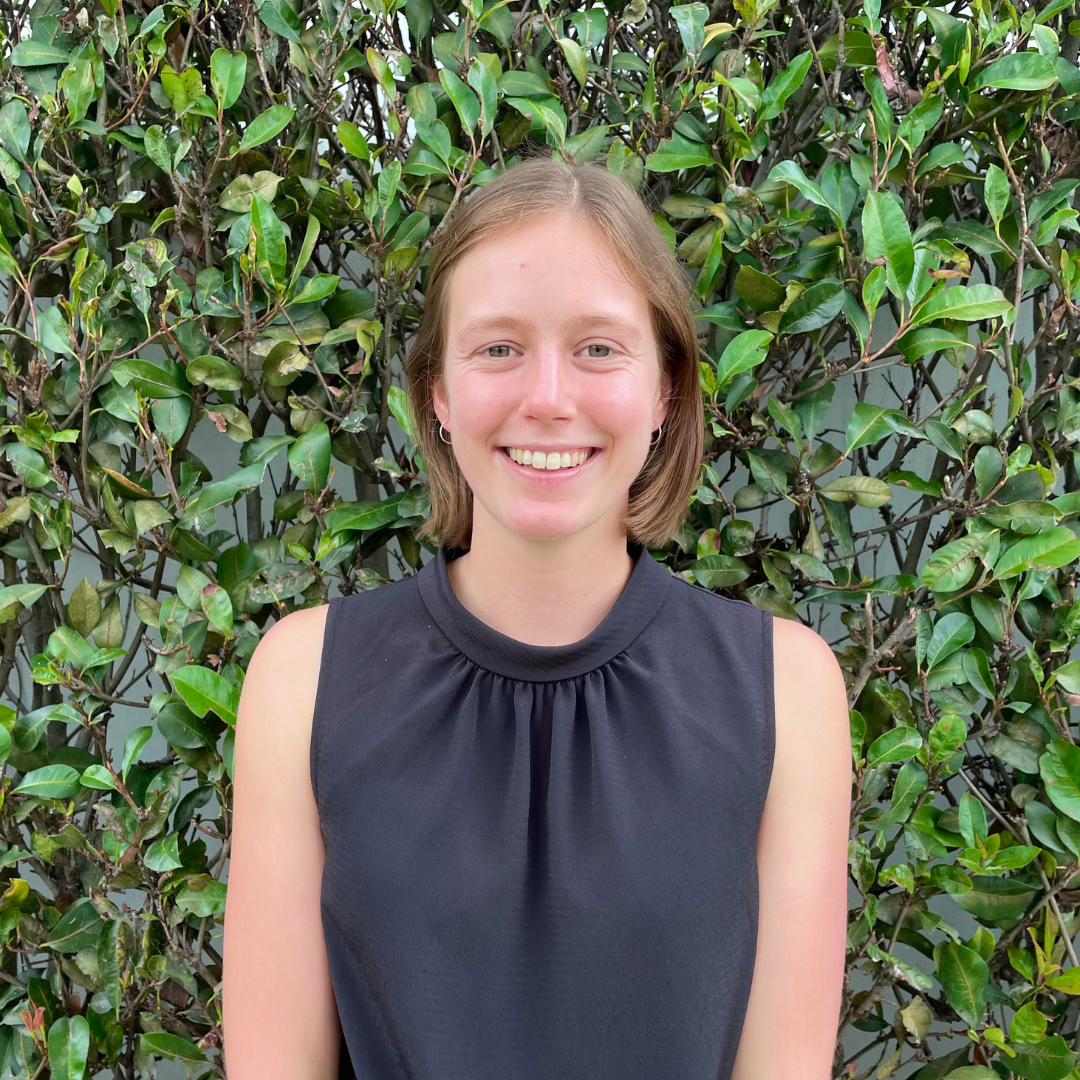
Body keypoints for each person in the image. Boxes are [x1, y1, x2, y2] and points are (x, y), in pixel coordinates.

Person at [222, 155, 851, 1079]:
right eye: (498, 348)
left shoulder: (785, 694)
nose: (548, 398)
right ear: (438, 392)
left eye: (599, 347)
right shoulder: (302, 683)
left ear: (665, 389)